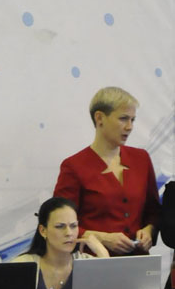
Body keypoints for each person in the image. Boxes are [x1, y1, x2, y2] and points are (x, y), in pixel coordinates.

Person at [53, 87, 160, 255]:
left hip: (139, 260)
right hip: (94, 261)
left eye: (133, 120)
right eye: (123, 119)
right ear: (99, 118)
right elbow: (59, 223)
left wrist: (149, 230)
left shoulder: (142, 159)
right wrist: (102, 238)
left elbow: (153, 211)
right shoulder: (73, 166)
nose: (130, 127)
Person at [14, 196, 109, 289]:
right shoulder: (21, 265)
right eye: (60, 226)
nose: (69, 233)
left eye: (73, 226)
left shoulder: (89, 264)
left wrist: (103, 253)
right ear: (43, 230)